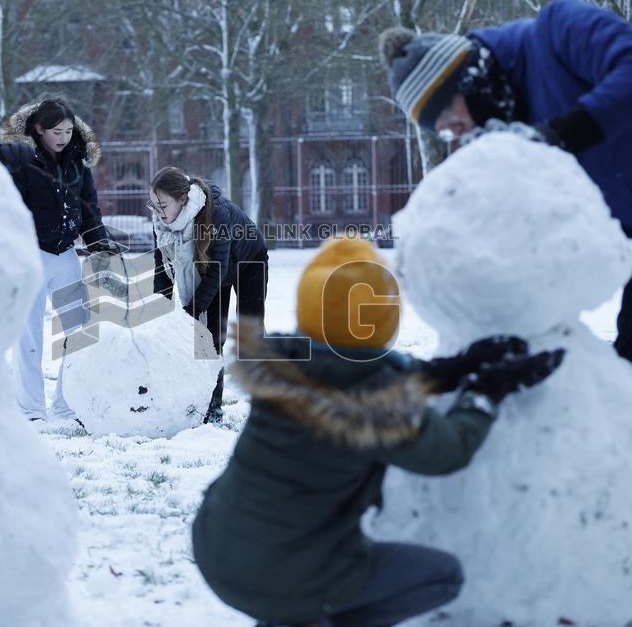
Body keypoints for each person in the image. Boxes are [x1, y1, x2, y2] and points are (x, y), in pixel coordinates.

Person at [380, 0, 632, 597]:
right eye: (440, 130)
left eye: (447, 116)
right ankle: (601, 549)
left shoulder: (558, 31)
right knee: (630, 392)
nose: (453, 134)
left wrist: (557, 136)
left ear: (467, 79)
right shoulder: (507, 126)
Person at [192, 237, 565, 627]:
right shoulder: (373, 409)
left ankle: (287, 614)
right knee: (442, 575)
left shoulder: (286, 368)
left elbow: (350, 370)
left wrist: (449, 370)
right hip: (284, 573)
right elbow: (448, 450)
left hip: (215, 545)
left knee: (284, 583)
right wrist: (485, 392)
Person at [0, 98, 116, 422]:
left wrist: (99, 244)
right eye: (55, 131)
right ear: (38, 130)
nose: (63, 137)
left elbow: (89, 206)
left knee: (81, 330)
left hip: (65, 254)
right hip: (30, 254)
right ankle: (31, 408)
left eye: (67, 130)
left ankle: (67, 405)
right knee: (29, 335)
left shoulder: (77, 162)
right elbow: (7, 207)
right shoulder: (20, 162)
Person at [149, 166, 268, 424]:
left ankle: (268, 403)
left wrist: (192, 309)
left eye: (163, 205)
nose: (157, 212)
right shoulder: (161, 221)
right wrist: (160, 311)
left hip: (248, 262)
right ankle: (211, 411)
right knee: (209, 340)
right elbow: (161, 267)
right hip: (215, 271)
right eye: (154, 205)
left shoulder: (216, 214)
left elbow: (218, 270)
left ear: (182, 199)